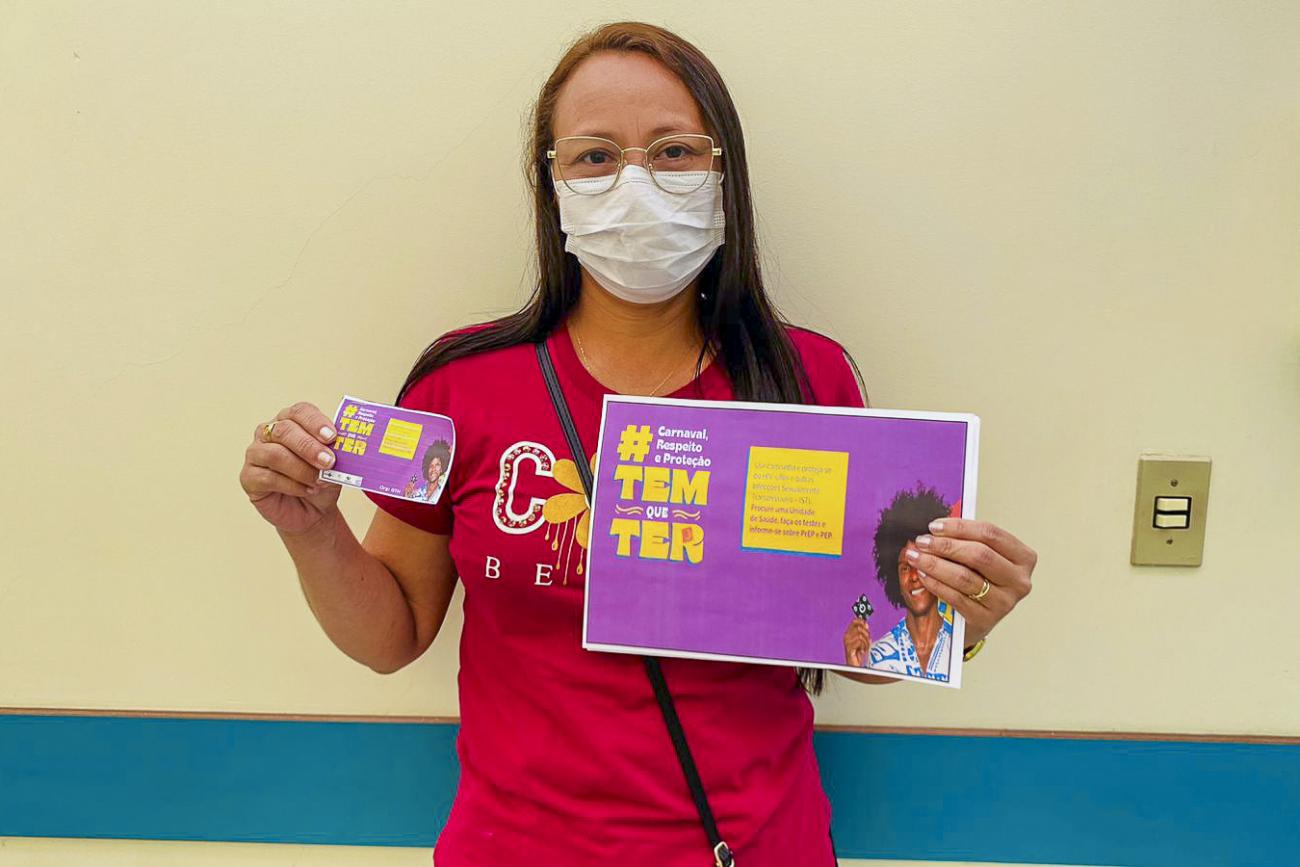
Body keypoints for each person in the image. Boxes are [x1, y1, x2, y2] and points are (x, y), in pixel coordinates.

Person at [237, 21, 1037, 867]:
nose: (635, 182)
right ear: (552, 185)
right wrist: (313, 530)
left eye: (673, 152)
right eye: (594, 156)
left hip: (755, 845)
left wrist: (956, 614)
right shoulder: (462, 383)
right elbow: (390, 637)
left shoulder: (807, 376)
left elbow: (861, 646)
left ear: (724, 174)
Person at [843, 485, 957, 682]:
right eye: (905, 568)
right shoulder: (878, 655)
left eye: (920, 563)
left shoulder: (959, 644)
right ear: (894, 578)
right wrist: (854, 667)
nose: (913, 577)